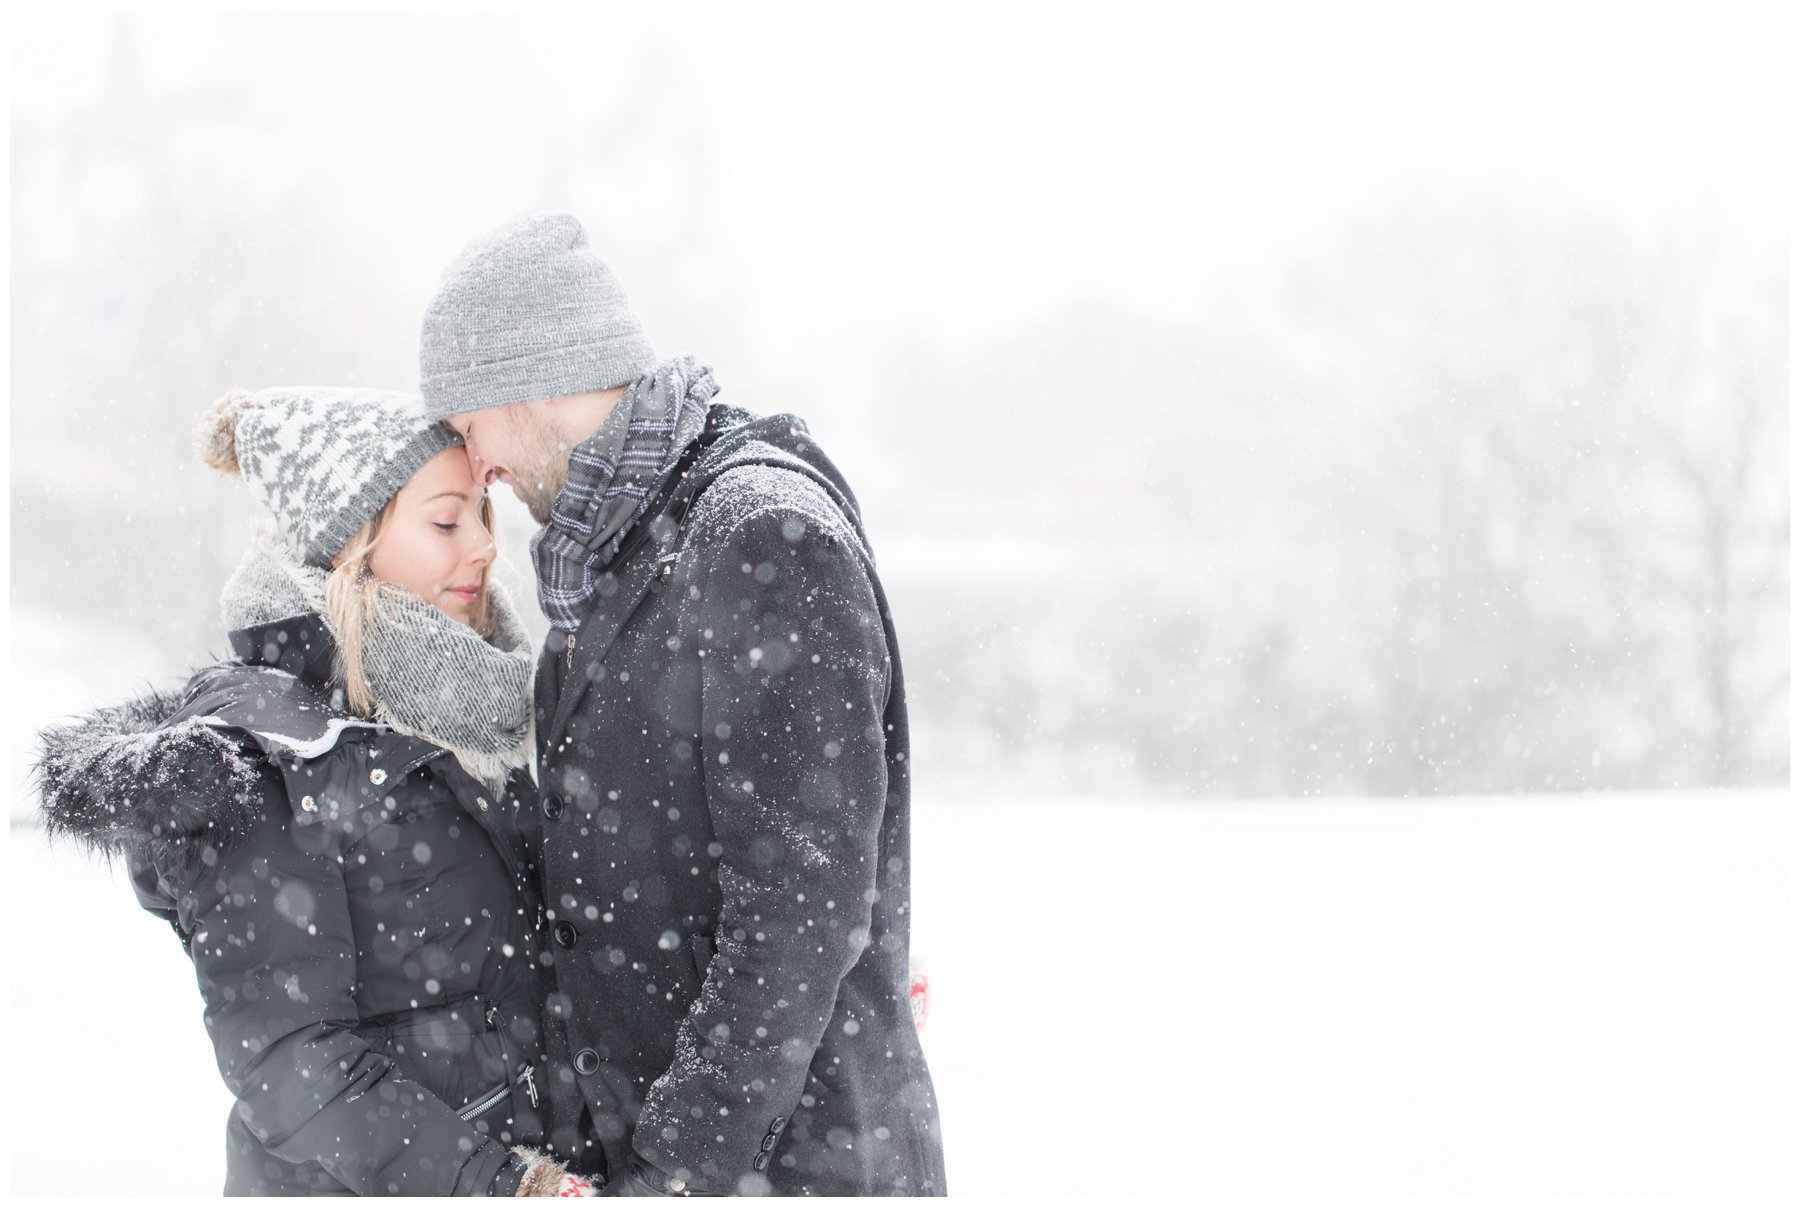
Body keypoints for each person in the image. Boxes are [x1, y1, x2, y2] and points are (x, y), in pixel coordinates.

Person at [417, 212, 946, 1196]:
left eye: (467, 424)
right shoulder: (610, 556)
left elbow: (796, 915)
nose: (474, 464)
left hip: (783, 1172)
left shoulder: (758, 535)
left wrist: (674, 1171)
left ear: (528, 381)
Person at [34, 387, 596, 1197]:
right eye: (446, 521)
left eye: (482, 515)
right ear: (350, 546)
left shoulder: (466, 720)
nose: (481, 548)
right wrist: (502, 1184)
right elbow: (292, 1061)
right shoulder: (270, 759)